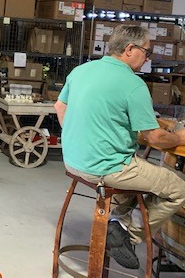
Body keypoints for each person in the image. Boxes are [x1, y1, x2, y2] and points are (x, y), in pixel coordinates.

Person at [54, 24, 185, 269]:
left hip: (73, 161)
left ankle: (117, 222)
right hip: (108, 168)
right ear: (129, 49)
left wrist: (82, 137)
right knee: (178, 189)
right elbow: (156, 138)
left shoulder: (82, 70)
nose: (147, 59)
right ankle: (125, 232)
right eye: (146, 52)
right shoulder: (132, 84)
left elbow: (60, 108)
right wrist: (179, 138)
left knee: (142, 182)